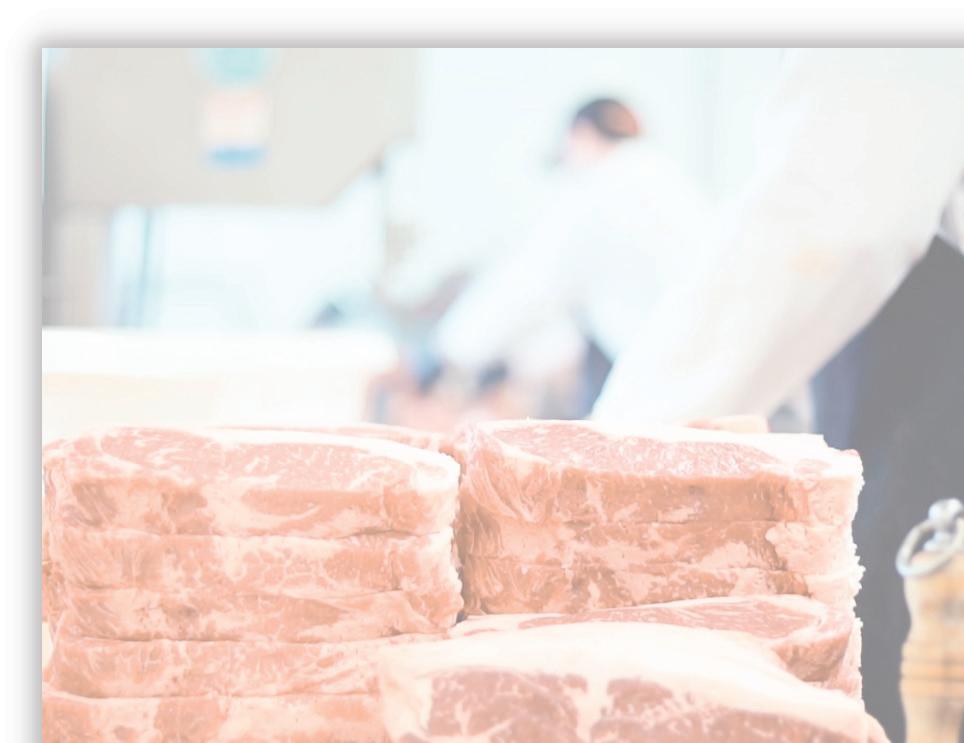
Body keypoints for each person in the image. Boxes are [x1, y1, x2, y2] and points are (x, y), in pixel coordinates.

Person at [592, 48, 964, 741]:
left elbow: (836, 219)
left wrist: (602, 454)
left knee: (898, 682)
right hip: (904, 379)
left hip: (934, 405)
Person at [431, 97, 712, 417]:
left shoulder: (601, 189)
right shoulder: (674, 185)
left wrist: (447, 354)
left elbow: (527, 287)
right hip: (703, 376)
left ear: (583, 133)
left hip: (659, 385)